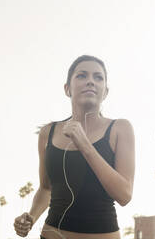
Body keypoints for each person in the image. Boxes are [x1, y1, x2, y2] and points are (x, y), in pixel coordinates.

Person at [14, 55, 135, 239]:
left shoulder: (120, 128)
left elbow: (124, 195)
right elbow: (46, 188)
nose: (90, 82)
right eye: (82, 76)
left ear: (106, 91)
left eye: (98, 77)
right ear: (67, 89)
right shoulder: (48, 132)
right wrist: (31, 217)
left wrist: (85, 146)